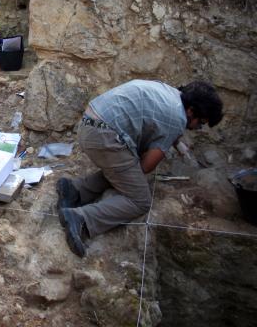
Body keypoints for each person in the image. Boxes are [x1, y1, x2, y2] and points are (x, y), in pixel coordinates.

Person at [56, 80, 223, 258]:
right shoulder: (178, 119)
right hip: (103, 136)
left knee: (127, 168)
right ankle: (81, 218)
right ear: (191, 111)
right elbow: (146, 167)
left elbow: (159, 122)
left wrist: (176, 143)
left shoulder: (171, 93)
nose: (198, 128)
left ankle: (75, 190)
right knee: (140, 200)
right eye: (200, 123)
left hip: (91, 122)